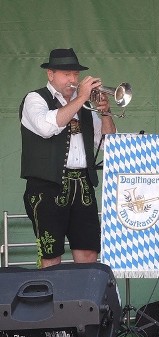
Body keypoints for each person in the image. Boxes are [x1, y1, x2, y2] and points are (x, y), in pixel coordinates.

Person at [19, 48, 116, 269]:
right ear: (50, 74)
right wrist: (81, 97)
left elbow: (109, 144)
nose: (72, 79)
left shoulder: (85, 106)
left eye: (75, 74)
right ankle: (51, 304)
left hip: (82, 184)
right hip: (46, 186)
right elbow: (46, 127)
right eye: (66, 74)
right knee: (51, 256)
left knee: (89, 252)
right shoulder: (35, 99)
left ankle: (84, 302)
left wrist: (106, 113)